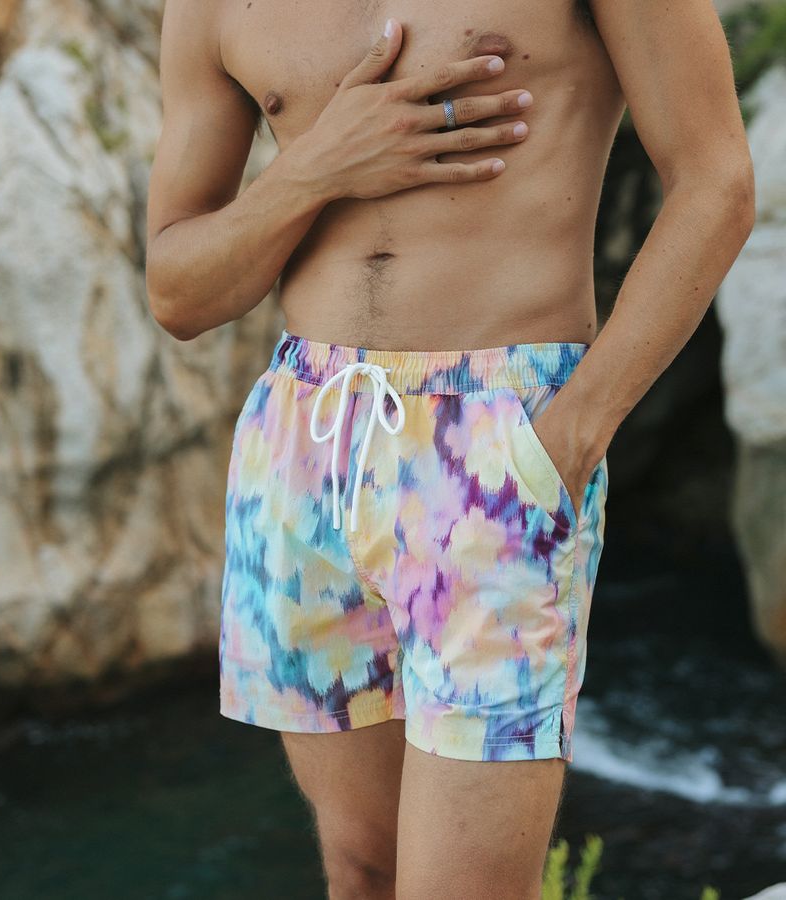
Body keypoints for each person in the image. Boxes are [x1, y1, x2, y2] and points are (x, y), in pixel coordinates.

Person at [144, 2, 754, 897]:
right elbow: (178, 292)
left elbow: (716, 180)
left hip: (499, 445)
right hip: (303, 447)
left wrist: (573, 431)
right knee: (360, 872)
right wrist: (315, 167)